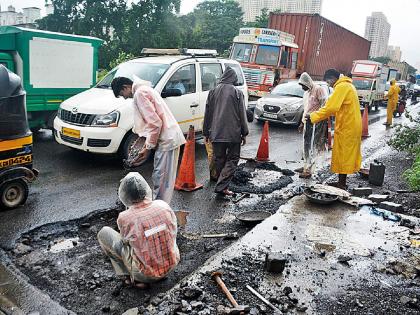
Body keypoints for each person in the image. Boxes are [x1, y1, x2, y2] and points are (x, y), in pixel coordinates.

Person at [97, 172, 179, 289]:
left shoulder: (124, 217)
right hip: (172, 265)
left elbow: (125, 242)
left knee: (104, 233)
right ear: (146, 189)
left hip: (146, 274)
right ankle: (161, 270)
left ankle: (128, 277)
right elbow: (173, 230)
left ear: (124, 194)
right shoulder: (163, 205)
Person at [111, 76, 186, 204]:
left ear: (126, 87)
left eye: (122, 94)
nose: (124, 97)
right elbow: (150, 122)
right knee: (163, 179)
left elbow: (155, 123)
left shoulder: (139, 94)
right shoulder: (145, 89)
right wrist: (143, 142)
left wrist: (147, 147)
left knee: (162, 179)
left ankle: (159, 210)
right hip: (168, 138)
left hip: (166, 140)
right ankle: (160, 207)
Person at [306, 69, 362, 190]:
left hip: (348, 127)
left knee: (344, 155)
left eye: (328, 82)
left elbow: (331, 107)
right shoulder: (348, 85)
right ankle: (341, 182)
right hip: (350, 125)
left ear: (331, 78)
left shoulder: (342, 87)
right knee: (344, 154)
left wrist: (313, 116)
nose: (329, 85)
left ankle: (341, 184)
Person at [203, 66, 249, 196]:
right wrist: (244, 133)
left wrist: (206, 132)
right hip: (233, 134)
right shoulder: (237, 92)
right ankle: (222, 185)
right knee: (233, 159)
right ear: (233, 78)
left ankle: (221, 184)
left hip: (216, 134)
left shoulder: (212, 92)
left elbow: (208, 114)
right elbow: (242, 114)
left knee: (219, 159)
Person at [298, 72, 328, 178]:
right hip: (307, 122)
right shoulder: (306, 93)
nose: (302, 87)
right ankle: (306, 165)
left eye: (303, 85)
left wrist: (319, 118)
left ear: (308, 83)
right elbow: (306, 109)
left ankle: (310, 170)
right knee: (306, 144)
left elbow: (325, 105)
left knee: (313, 145)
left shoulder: (318, 90)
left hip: (317, 122)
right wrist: (302, 123)